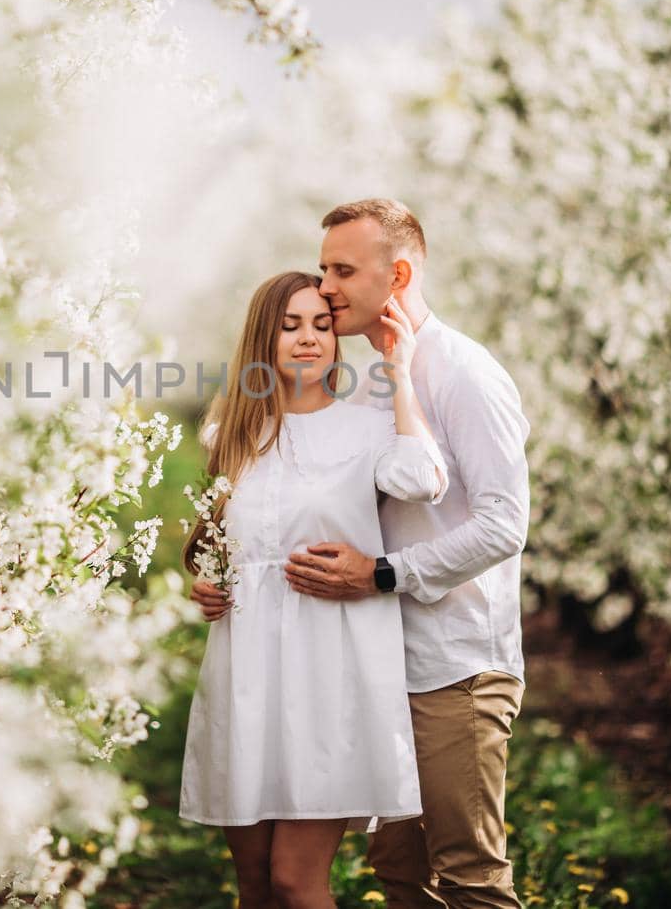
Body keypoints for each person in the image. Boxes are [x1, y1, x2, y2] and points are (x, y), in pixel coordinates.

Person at [191, 199, 531, 909]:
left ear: (397, 272)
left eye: (341, 270)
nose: (329, 286)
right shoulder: (365, 383)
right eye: (323, 269)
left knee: (468, 874)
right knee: (400, 875)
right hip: (371, 659)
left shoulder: (462, 372)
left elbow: (503, 523)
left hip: (455, 663)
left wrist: (381, 575)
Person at [177, 269, 450, 909]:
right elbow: (218, 539)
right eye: (291, 326)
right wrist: (206, 581)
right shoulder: (232, 435)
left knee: (296, 884)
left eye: (322, 326)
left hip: (329, 666)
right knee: (254, 888)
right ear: (262, 340)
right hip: (247, 667)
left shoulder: (366, 428)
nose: (309, 339)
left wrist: (400, 372)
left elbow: (420, 477)